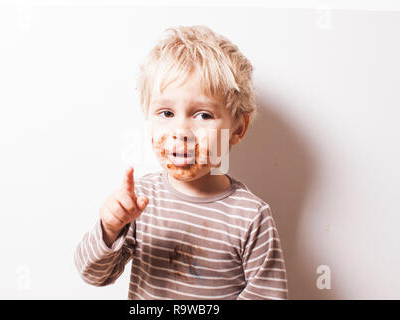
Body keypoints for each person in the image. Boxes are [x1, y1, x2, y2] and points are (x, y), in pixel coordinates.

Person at [74, 25, 288, 300]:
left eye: (203, 115)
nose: (181, 131)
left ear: (238, 128)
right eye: (166, 112)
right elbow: (93, 274)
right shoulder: (140, 201)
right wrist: (109, 229)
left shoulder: (250, 216)